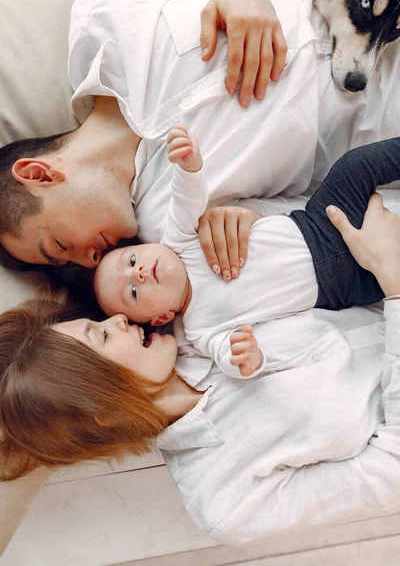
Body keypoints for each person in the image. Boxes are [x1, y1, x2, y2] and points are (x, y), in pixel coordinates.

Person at [1, 172, 400, 544]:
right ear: (99, 411)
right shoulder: (227, 499)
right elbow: (392, 471)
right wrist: (394, 283)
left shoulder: (176, 305)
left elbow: (310, 235)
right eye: (101, 334)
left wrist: (252, 219)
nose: (118, 319)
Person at [1, 0, 400, 277]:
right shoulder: (172, 226)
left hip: (372, 12)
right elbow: (318, 214)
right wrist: (257, 218)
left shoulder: (103, 27)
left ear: (38, 173)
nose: (88, 262)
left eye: (57, 246)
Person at [93, 130, 398, 379]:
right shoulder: (201, 329)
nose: (140, 273)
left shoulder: (178, 240)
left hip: (319, 221)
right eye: (133, 291)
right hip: (340, 283)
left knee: (355, 165)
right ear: (161, 317)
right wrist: (244, 358)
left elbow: (185, 201)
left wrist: (189, 167)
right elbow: (225, 353)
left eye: (132, 261)